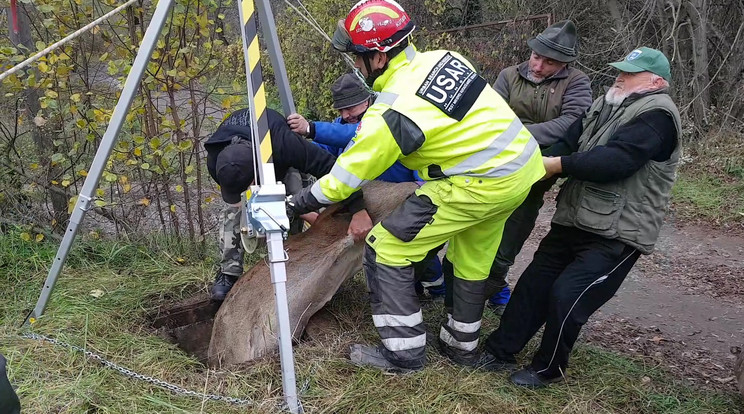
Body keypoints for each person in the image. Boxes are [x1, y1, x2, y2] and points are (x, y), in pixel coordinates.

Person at [288, 0, 545, 372]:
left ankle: (403, 353)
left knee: (387, 247)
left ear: (377, 57)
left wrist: (295, 203)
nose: (354, 65)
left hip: (476, 183)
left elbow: (342, 181)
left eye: (356, 57)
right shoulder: (444, 58)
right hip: (521, 172)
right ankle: (461, 348)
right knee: (471, 258)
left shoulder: (392, 110)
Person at [480, 47, 681, 387]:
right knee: (533, 285)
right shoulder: (605, 105)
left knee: (567, 296)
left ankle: (548, 369)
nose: (620, 76)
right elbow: (566, 142)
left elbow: (616, 160)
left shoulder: (657, 114)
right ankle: (500, 350)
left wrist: (557, 165)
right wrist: (530, 168)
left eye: (630, 73)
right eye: (620, 69)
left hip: (618, 234)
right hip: (574, 219)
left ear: (656, 82)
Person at [288, 72, 446, 298]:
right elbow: (325, 156)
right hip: (362, 198)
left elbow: (354, 135)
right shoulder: (341, 124)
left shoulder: (381, 119)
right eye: (341, 110)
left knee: (407, 242)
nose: (346, 115)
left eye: (350, 108)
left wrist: (311, 129)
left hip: (396, 197)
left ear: (366, 100)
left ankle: (434, 285)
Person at [204, 107, 373, 300]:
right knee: (232, 212)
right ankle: (228, 272)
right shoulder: (217, 160)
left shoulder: (286, 144)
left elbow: (333, 170)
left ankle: (295, 259)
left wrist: (358, 209)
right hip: (250, 159)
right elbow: (239, 200)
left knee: (296, 197)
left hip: (279, 158)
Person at [484, 20, 592, 314]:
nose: (539, 65)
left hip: (539, 167)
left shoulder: (577, 82)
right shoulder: (508, 76)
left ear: (565, 63)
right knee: (483, 218)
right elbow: (490, 117)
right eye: (536, 57)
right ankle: (463, 279)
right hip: (497, 159)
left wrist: (520, 134)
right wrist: (514, 135)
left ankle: (495, 280)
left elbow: (573, 123)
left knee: (518, 221)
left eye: (550, 62)